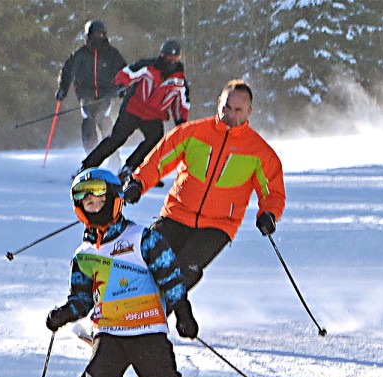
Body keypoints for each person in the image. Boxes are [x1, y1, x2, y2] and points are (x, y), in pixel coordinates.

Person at [45, 169, 203, 377]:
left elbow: (170, 277)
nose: (96, 209)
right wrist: (64, 314)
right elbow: (82, 299)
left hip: (146, 328)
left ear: (115, 201)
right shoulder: (84, 255)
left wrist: (183, 314)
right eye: (89, 205)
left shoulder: (142, 238)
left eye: (101, 202)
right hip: (109, 331)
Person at [122, 79, 286, 293]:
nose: (230, 114)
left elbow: (272, 191)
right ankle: (117, 308)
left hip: (218, 225)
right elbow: (159, 161)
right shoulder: (193, 133)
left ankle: (156, 314)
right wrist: (138, 183)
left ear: (249, 111)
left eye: (238, 110)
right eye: (226, 107)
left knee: (183, 270)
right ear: (219, 102)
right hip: (176, 214)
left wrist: (269, 214)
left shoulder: (259, 151)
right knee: (143, 259)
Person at [79, 39, 190, 183]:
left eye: (176, 58)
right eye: (169, 57)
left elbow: (182, 104)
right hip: (133, 109)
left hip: (153, 116)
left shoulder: (179, 81)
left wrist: (181, 121)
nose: (172, 62)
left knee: (155, 141)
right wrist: (121, 85)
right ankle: (87, 166)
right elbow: (128, 73)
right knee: (117, 138)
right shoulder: (148, 66)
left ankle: (130, 169)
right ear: (162, 56)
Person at [56, 19, 127, 153]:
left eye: (101, 35)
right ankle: (91, 156)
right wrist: (62, 89)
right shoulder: (80, 54)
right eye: (95, 35)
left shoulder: (111, 54)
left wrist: (123, 88)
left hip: (106, 95)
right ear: (88, 36)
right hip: (86, 94)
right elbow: (67, 71)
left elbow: (124, 72)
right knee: (88, 122)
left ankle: (113, 157)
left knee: (104, 121)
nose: (98, 38)